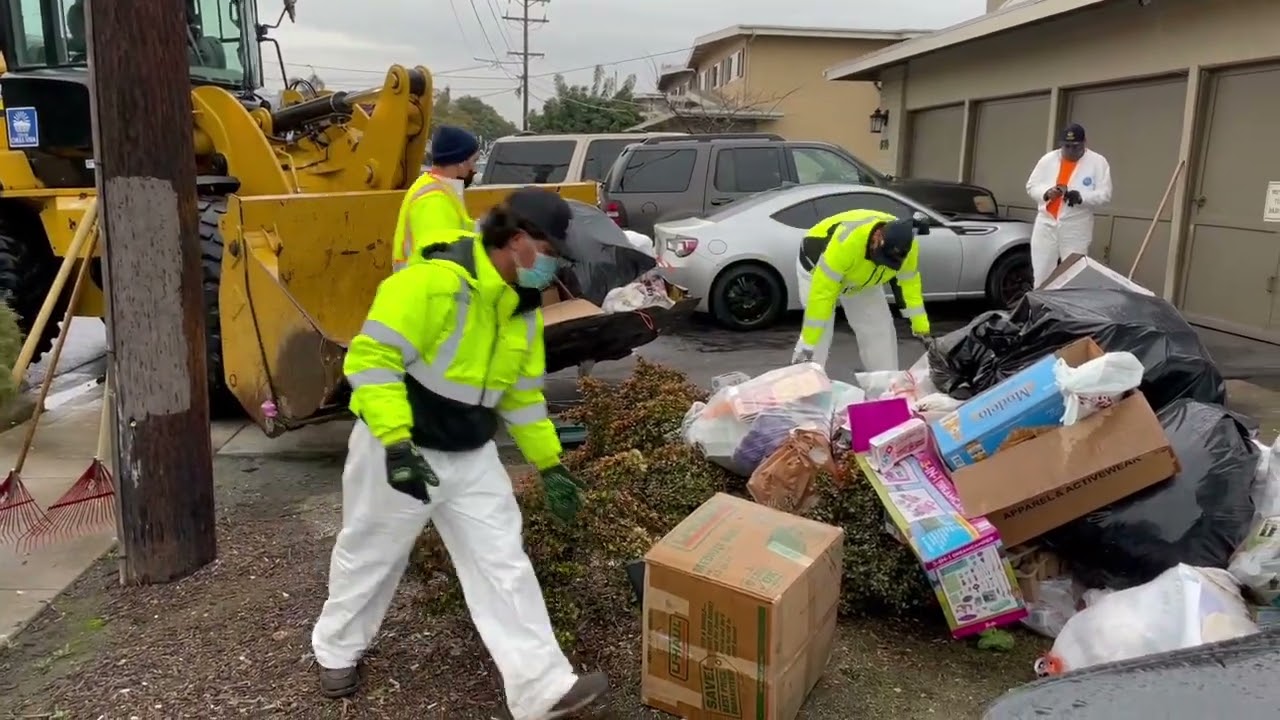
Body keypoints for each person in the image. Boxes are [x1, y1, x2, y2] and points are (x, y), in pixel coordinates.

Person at [311, 187, 609, 719]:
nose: (555, 268)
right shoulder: (431, 284)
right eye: (552, 253)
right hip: (399, 447)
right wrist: (397, 443)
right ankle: (336, 649)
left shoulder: (521, 310)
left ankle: (542, 688)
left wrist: (549, 464)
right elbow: (371, 361)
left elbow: (520, 395)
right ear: (518, 241)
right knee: (373, 553)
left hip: (471, 454)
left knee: (502, 562)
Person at [792, 209, 930, 371]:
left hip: (862, 280)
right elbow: (821, 296)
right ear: (877, 237)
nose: (881, 263)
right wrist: (808, 343)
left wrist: (922, 328)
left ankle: (884, 387)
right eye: (880, 258)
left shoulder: (907, 247)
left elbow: (909, 286)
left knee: (879, 330)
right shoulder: (844, 244)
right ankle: (806, 385)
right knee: (819, 335)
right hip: (817, 270)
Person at [1025, 123, 1113, 287]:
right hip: (1046, 222)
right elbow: (1031, 186)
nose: (1071, 151)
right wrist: (1046, 193)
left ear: (1084, 142)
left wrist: (1081, 197)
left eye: (1076, 147)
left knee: (1074, 273)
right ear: (1060, 144)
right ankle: (1040, 309)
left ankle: (1068, 311)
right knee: (1042, 273)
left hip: (1076, 225)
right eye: (1067, 147)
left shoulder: (1098, 162)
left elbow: (1105, 194)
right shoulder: (1048, 160)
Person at [392, 125, 482, 271]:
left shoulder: (437, 189)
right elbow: (443, 261)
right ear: (460, 163)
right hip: (427, 290)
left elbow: (460, 230)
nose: (475, 169)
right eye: (474, 161)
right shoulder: (433, 201)